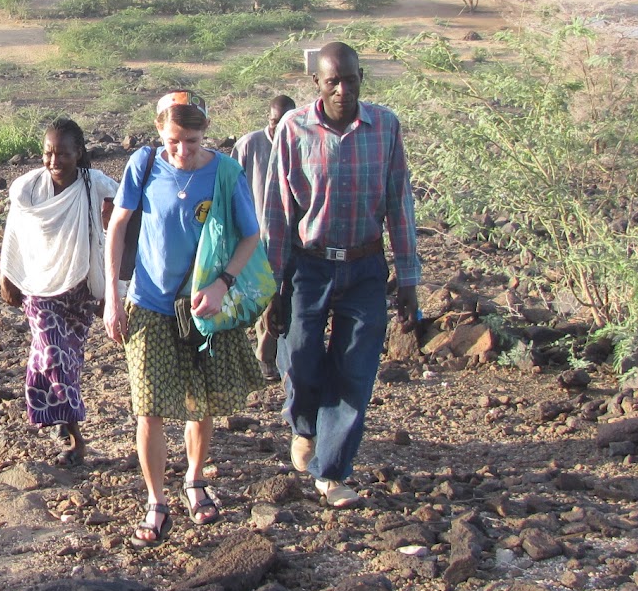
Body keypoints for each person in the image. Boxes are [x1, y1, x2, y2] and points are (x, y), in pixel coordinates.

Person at [261, 42, 420, 510]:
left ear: (361, 78)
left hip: (366, 266)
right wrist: (273, 286)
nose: (343, 90)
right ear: (317, 83)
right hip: (309, 264)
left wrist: (408, 279)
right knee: (302, 358)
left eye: (350, 80)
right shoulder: (294, 129)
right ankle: (305, 426)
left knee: (356, 371)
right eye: (333, 81)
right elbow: (277, 211)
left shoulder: (384, 126)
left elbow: (399, 202)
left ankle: (332, 472)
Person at [105, 93, 265, 546]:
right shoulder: (143, 164)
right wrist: (113, 298)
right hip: (149, 303)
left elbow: (251, 235)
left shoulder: (225, 172)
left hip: (201, 308)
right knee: (149, 407)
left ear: (205, 134)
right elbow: (118, 227)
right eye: (174, 141)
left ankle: (194, 479)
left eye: (192, 141)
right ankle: (156, 501)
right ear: (160, 132)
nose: (182, 151)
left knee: (201, 401)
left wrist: (222, 285)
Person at [0, 118, 117, 467]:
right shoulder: (28, 189)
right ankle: (76, 437)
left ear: (78, 153)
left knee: (64, 360)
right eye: (48, 153)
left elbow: (121, 222)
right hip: (38, 288)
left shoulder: (95, 185)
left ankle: (60, 421)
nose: (54, 161)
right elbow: (14, 232)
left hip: (80, 288)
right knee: (53, 355)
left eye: (63, 154)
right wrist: (9, 275)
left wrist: (111, 289)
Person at [234, 96, 296, 380]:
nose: (279, 127)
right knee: (255, 296)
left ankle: (267, 355)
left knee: (278, 295)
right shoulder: (250, 145)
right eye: (274, 122)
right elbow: (229, 185)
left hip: (289, 236)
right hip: (252, 236)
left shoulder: (300, 143)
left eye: (285, 122)